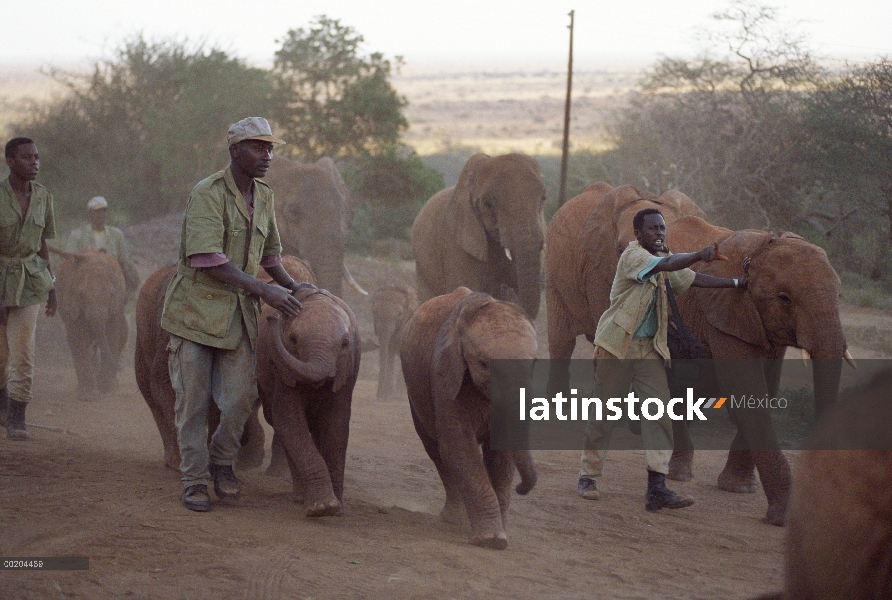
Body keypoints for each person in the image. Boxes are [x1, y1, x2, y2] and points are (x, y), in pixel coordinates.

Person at [160, 117, 302, 512]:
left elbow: (270, 255)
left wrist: (293, 286)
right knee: (192, 402)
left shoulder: (266, 197)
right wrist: (266, 291)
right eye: (258, 147)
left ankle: (223, 461)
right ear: (235, 151)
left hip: (237, 315)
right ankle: (194, 480)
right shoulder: (207, 193)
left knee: (242, 398)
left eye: (270, 148)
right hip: (195, 313)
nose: (267, 156)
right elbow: (209, 261)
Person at [577, 207, 747, 510]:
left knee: (659, 416)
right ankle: (588, 475)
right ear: (638, 233)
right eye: (653, 229)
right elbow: (668, 264)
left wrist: (736, 284)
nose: (659, 233)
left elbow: (692, 279)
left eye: (662, 228)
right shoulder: (634, 257)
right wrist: (698, 253)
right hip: (618, 346)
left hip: (650, 349)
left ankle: (657, 488)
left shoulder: (664, 257)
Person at [0, 137, 57, 440]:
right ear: (10, 161)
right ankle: (2, 405)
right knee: (1, 355)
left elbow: (43, 243)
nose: (34, 162)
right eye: (26, 157)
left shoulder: (44, 196)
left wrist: (52, 286)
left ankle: (16, 418)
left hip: (30, 279)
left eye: (37, 157)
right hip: (0, 275)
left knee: (23, 354)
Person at [67, 196, 141, 295]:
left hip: (111, 279)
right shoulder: (77, 235)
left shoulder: (116, 235)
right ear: (90, 214)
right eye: (97, 212)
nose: (101, 215)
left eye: (104, 211)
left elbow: (124, 261)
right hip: (86, 281)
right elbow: (70, 262)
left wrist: (131, 281)